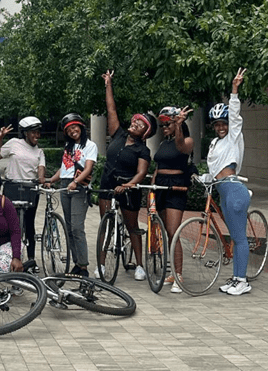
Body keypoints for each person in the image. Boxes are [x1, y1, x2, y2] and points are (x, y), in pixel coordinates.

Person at [97, 70, 155, 281]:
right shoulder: (118, 134)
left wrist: (129, 185)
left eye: (141, 125)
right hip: (107, 185)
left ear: (145, 134)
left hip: (128, 190)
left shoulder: (143, 150)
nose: (135, 124)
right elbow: (111, 108)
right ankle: (101, 266)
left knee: (132, 227)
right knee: (106, 225)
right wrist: (108, 84)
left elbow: (141, 173)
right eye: (135, 121)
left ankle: (139, 265)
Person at [206, 68, 252, 295]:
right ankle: (235, 277)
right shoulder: (215, 144)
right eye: (217, 125)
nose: (221, 127)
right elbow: (213, 168)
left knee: (240, 238)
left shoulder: (234, 136)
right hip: (222, 191)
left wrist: (234, 90)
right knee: (234, 236)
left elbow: (235, 116)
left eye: (223, 123)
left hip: (234, 189)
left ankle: (242, 281)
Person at [45, 113, 97, 278]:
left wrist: (76, 182)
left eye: (75, 127)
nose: (72, 131)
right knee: (68, 227)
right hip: (65, 185)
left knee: (76, 227)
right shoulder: (68, 147)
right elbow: (64, 168)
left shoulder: (90, 145)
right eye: (68, 129)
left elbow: (88, 168)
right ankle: (76, 264)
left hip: (79, 187)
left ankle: (83, 266)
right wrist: (50, 180)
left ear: (81, 127)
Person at [0, 116, 46, 265]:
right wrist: (0, 137)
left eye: (38, 133)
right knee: (10, 223)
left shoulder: (39, 151)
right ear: (25, 133)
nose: (36, 136)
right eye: (33, 133)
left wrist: (42, 179)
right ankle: (8, 256)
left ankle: (31, 259)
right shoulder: (14, 143)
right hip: (12, 186)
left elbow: (41, 169)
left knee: (30, 224)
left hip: (30, 188)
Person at [153, 106, 194, 293]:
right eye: (163, 125)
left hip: (176, 185)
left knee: (173, 230)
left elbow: (181, 147)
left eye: (167, 124)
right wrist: (151, 192)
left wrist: (178, 125)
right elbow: (157, 167)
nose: (164, 128)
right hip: (159, 185)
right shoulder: (163, 144)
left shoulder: (186, 140)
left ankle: (179, 274)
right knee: (163, 231)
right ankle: (171, 271)